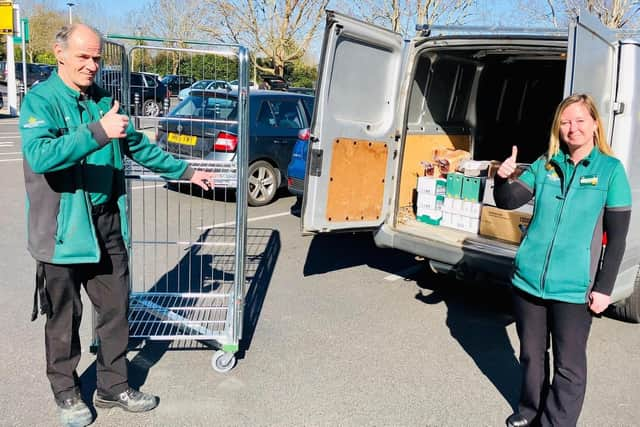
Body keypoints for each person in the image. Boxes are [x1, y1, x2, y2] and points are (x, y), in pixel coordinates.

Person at [20, 24, 215, 427]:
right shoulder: (41, 101)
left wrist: (185, 170)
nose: (92, 65)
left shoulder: (103, 101)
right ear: (60, 54)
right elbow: (41, 156)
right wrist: (97, 132)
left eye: (96, 58)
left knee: (115, 311)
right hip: (63, 230)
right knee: (63, 318)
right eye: (83, 57)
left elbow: (138, 146)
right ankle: (67, 393)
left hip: (106, 223)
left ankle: (112, 387)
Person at [494, 93, 631, 427]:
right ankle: (530, 410)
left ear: (595, 125)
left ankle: (556, 423)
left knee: (568, 367)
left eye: (580, 121)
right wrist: (502, 177)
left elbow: (617, 238)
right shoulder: (546, 163)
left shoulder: (610, 170)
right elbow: (509, 201)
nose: (573, 128)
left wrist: (604, 288)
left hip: (574, 288)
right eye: (566, 122)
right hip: (528, 281)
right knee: (531, 356)